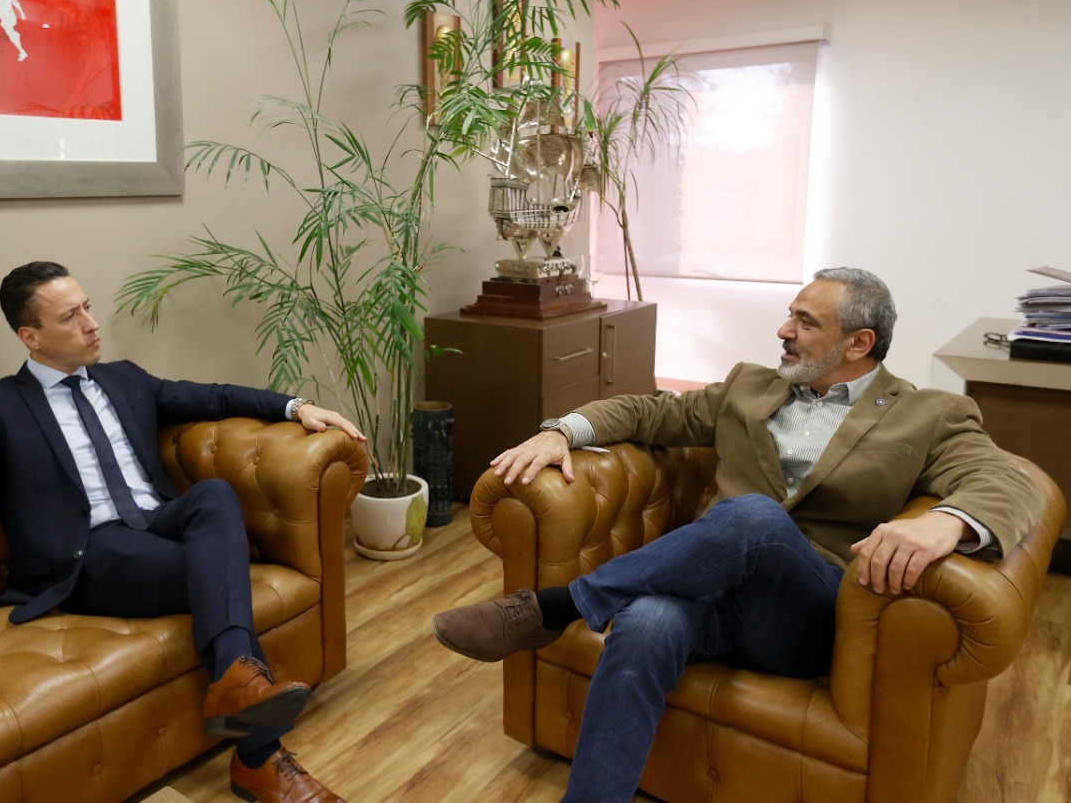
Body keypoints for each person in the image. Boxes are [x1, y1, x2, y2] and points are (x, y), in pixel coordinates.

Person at [431, 267, 1041, 803]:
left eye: (804, 321)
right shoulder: (750, 387)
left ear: (860, 343)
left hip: (806, 613)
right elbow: (649, 412)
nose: (784, 330)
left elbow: (1005, 480)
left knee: (753, 516)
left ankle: (558, 606)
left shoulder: (929, 413)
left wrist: (949, 519)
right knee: (647, 622)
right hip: (713, 599)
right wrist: (561, 431)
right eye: (788, 316)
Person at [0, 261, 361, 803]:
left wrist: (297, 406)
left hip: (156, 520)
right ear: (29, 337)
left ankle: (240, 697)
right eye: (70, 315)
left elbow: (213, 396)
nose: (91, 322)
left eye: (87, 306)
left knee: (216, 496)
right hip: (91, 554)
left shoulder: (123, 378)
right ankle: (260, 756)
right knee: (217, 574)